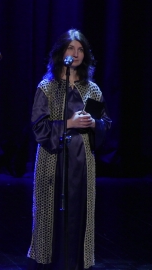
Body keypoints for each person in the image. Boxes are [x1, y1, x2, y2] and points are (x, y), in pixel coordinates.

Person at [27, 29, 112, 269]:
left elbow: (106, 123)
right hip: (53, 162)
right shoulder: (48, 87)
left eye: (80, 49)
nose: (75, 54)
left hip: (83, 162)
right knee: (51, 214)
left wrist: (95, 124)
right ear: (61, 52)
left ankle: (76, 263)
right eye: (71, 48)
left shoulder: (92, 89)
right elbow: (38, 128)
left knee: (79, 215)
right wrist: (69, 123)